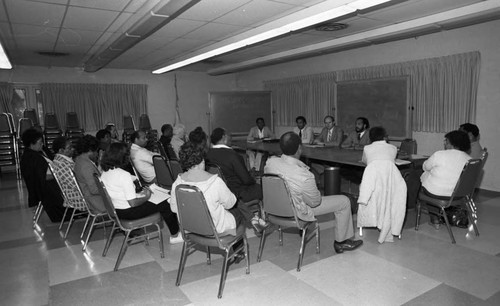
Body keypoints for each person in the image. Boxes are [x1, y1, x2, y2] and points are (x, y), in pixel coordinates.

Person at [264, 132, 363, 253]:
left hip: (275, 209)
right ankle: (342, 242)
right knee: (344, 201)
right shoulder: (305, 175)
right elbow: (315, 202)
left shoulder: (270, 162)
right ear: (299, 148)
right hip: (296, 211)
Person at [100, 143, 182, 244]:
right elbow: (133, 203)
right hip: (129, 212)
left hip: (116, 210)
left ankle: (176, 233)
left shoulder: (105, 172)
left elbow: (119, 193)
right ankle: (175, 235)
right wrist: (146, 196)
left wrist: (140, 195)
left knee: (158, 200)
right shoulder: (123, 175)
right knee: (165, 203)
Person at [206, 128, 268, 233]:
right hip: (237, 192)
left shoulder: (207, 154)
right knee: (263, 187)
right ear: (224, 137)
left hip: (217, 193)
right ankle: (264, 218)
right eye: (229, 135)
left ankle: (253, 217)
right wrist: (253, 178)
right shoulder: (233, 155)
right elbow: (246, 180)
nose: (231, 138)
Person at [358, 127, 406, 243]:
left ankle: (370, 221)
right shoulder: (393, 148)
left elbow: (365, 161)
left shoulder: (367, 148)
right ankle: (387, 222)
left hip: (373, 184)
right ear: (385, 137)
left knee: (362, 185)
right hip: (391, 183)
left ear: (370, 137)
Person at [20, 128, 66, 222]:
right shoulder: (31, 158)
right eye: (40, 142)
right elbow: (41, 178)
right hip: (47, 189)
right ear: (31, 144)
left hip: (50, 183)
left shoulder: (38, 151)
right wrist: (60, 175)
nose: (42, 144)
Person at [74, 135, 106, 213]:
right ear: (90, 150)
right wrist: (110, 187)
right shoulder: (86, 166)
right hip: (95, 201)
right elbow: (94, 190)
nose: (97, 154)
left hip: (90, 197)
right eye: (96, 151)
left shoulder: (79, 159)